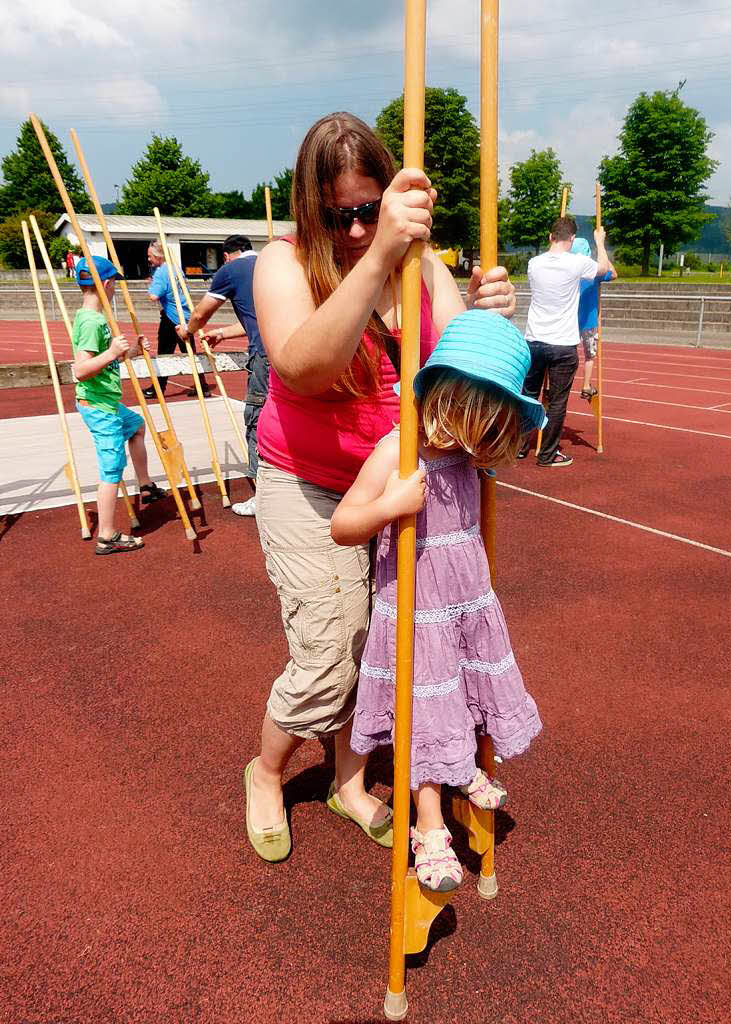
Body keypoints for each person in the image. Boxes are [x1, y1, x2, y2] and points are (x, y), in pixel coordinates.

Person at [244, 111, 517, 864]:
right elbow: (302, 366)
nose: (361, 229)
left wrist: (493, 319)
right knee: (330, 655)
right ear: (313, 209)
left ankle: (347, 779)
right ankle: (267, 772)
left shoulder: (425, 267)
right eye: (343, 215)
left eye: (373, 209)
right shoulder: (285, 263)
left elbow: (465, 377)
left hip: (403, 486)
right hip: (310, 484)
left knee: (384, 646)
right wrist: (379, 258)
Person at [330, 309, 544, 891]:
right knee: (425, 708)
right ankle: (429, 825)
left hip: (466, 599)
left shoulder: (467, 454)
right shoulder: (399, 451)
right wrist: (388, 508)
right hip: (418, 610)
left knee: (466, 691)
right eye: (488, 417)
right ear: (453, 400)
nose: (492, 435)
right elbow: (344, 523)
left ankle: (464, 766)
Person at [72, 256, 166, 553]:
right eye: (115, 285)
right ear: (108, 284)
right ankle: (107, 535)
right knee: (111, 472)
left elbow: (109, 359)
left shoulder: (95, 318)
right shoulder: (91, 321)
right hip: (99, 408)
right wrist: (113, 352)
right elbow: (81, 369)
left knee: (136, 427)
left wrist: (133, 350)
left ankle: (146, 484)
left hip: (109, 404)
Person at [181, 233, 267, 516]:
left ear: (229, 254)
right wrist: (224, 332)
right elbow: (259, 317)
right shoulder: (272, 262)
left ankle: (262, 496)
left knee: (257, 421)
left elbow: (201, 313)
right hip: (292, 351)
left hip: (265, 357)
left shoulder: (230, 270)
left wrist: (188, 331)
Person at [517, 216, 609, 467]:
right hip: (562, 345)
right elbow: (604, 269)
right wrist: (600, 242)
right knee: (557, 401)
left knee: (528, 396)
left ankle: (519, 447)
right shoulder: (577, 263)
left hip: (534, 341)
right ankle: (547, 454)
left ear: (550, 237)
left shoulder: (533, 263)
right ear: (571, 239)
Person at [142, 240, 213, 399]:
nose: (149, 259)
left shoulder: (161, 272)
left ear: (157, 255)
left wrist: (151, 285)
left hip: (171, 318)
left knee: (164, 354)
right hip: (185, 317)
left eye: (150, 256)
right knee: (190, 353)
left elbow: (154, 296)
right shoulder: (176, 269)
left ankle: (158, 388)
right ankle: (202, 386)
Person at [570, 237, 617, 400]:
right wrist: (602, 248)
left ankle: (555, 385)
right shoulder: (594, 271)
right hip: (588, 321)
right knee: (590, 355)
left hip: (569, 321)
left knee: (566, 353)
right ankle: (585, 385)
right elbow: (613, 273)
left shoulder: (570, 271)